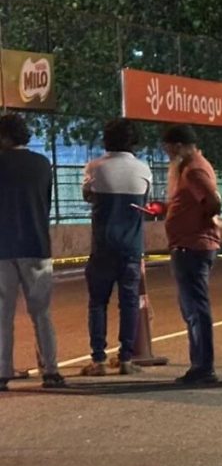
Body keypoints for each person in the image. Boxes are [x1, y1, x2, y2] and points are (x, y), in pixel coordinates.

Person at [80, 118, 153, 377]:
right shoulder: (143, 170)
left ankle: (99, 360)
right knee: (129, 304)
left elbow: (87, 195)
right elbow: (144, 202)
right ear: (134, 141)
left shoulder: (95, 167)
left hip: (102, 248)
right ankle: (126, 359)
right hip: (131, 248)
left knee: (98, 304)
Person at [0, 114, 66, 391]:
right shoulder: (42, 164)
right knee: (41, 313)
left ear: (4, 136)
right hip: (37, 244)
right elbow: (45, 203)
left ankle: (3, 371)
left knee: (3, 314)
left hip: (3, 249)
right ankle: (50, 370)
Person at [162, 124, 222, 385]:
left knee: (196, 309)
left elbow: (214, 201)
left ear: (178, 146)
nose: (167, 154)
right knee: (193, 309)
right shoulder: (190, 167)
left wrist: (202, 221)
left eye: (168, 149)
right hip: (189, 245)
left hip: (192, 247)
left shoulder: (194, 169)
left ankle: (203, 367)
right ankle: (200, 364)